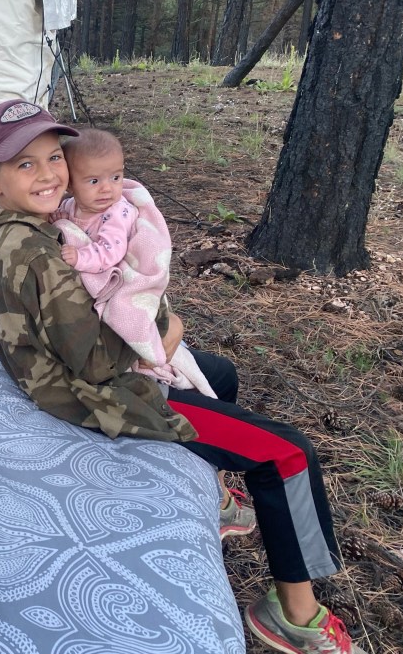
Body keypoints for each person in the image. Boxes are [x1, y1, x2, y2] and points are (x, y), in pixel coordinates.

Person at [0, 98, 365, 654]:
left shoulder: (22, 225)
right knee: (287, 454)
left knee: (220, 373)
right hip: (94, 394)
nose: (50, 174)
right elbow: (96, 364)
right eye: (25, 164)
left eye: (54, 157)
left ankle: (218, 500)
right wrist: (165, 328)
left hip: (64, 371)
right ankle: (293, 616)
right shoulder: (37, 253)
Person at [54, 127, 256, 540]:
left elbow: (112, 252)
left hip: (130, 286)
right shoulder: (70, 209)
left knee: (216, 373)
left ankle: (214, 477)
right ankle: (215, 487)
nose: (108, 188)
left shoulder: (116, 213)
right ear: (70, 183)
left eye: (116, 176)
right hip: (97, 362)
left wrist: (80, 256)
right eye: (94, 180)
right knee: (213, 380)